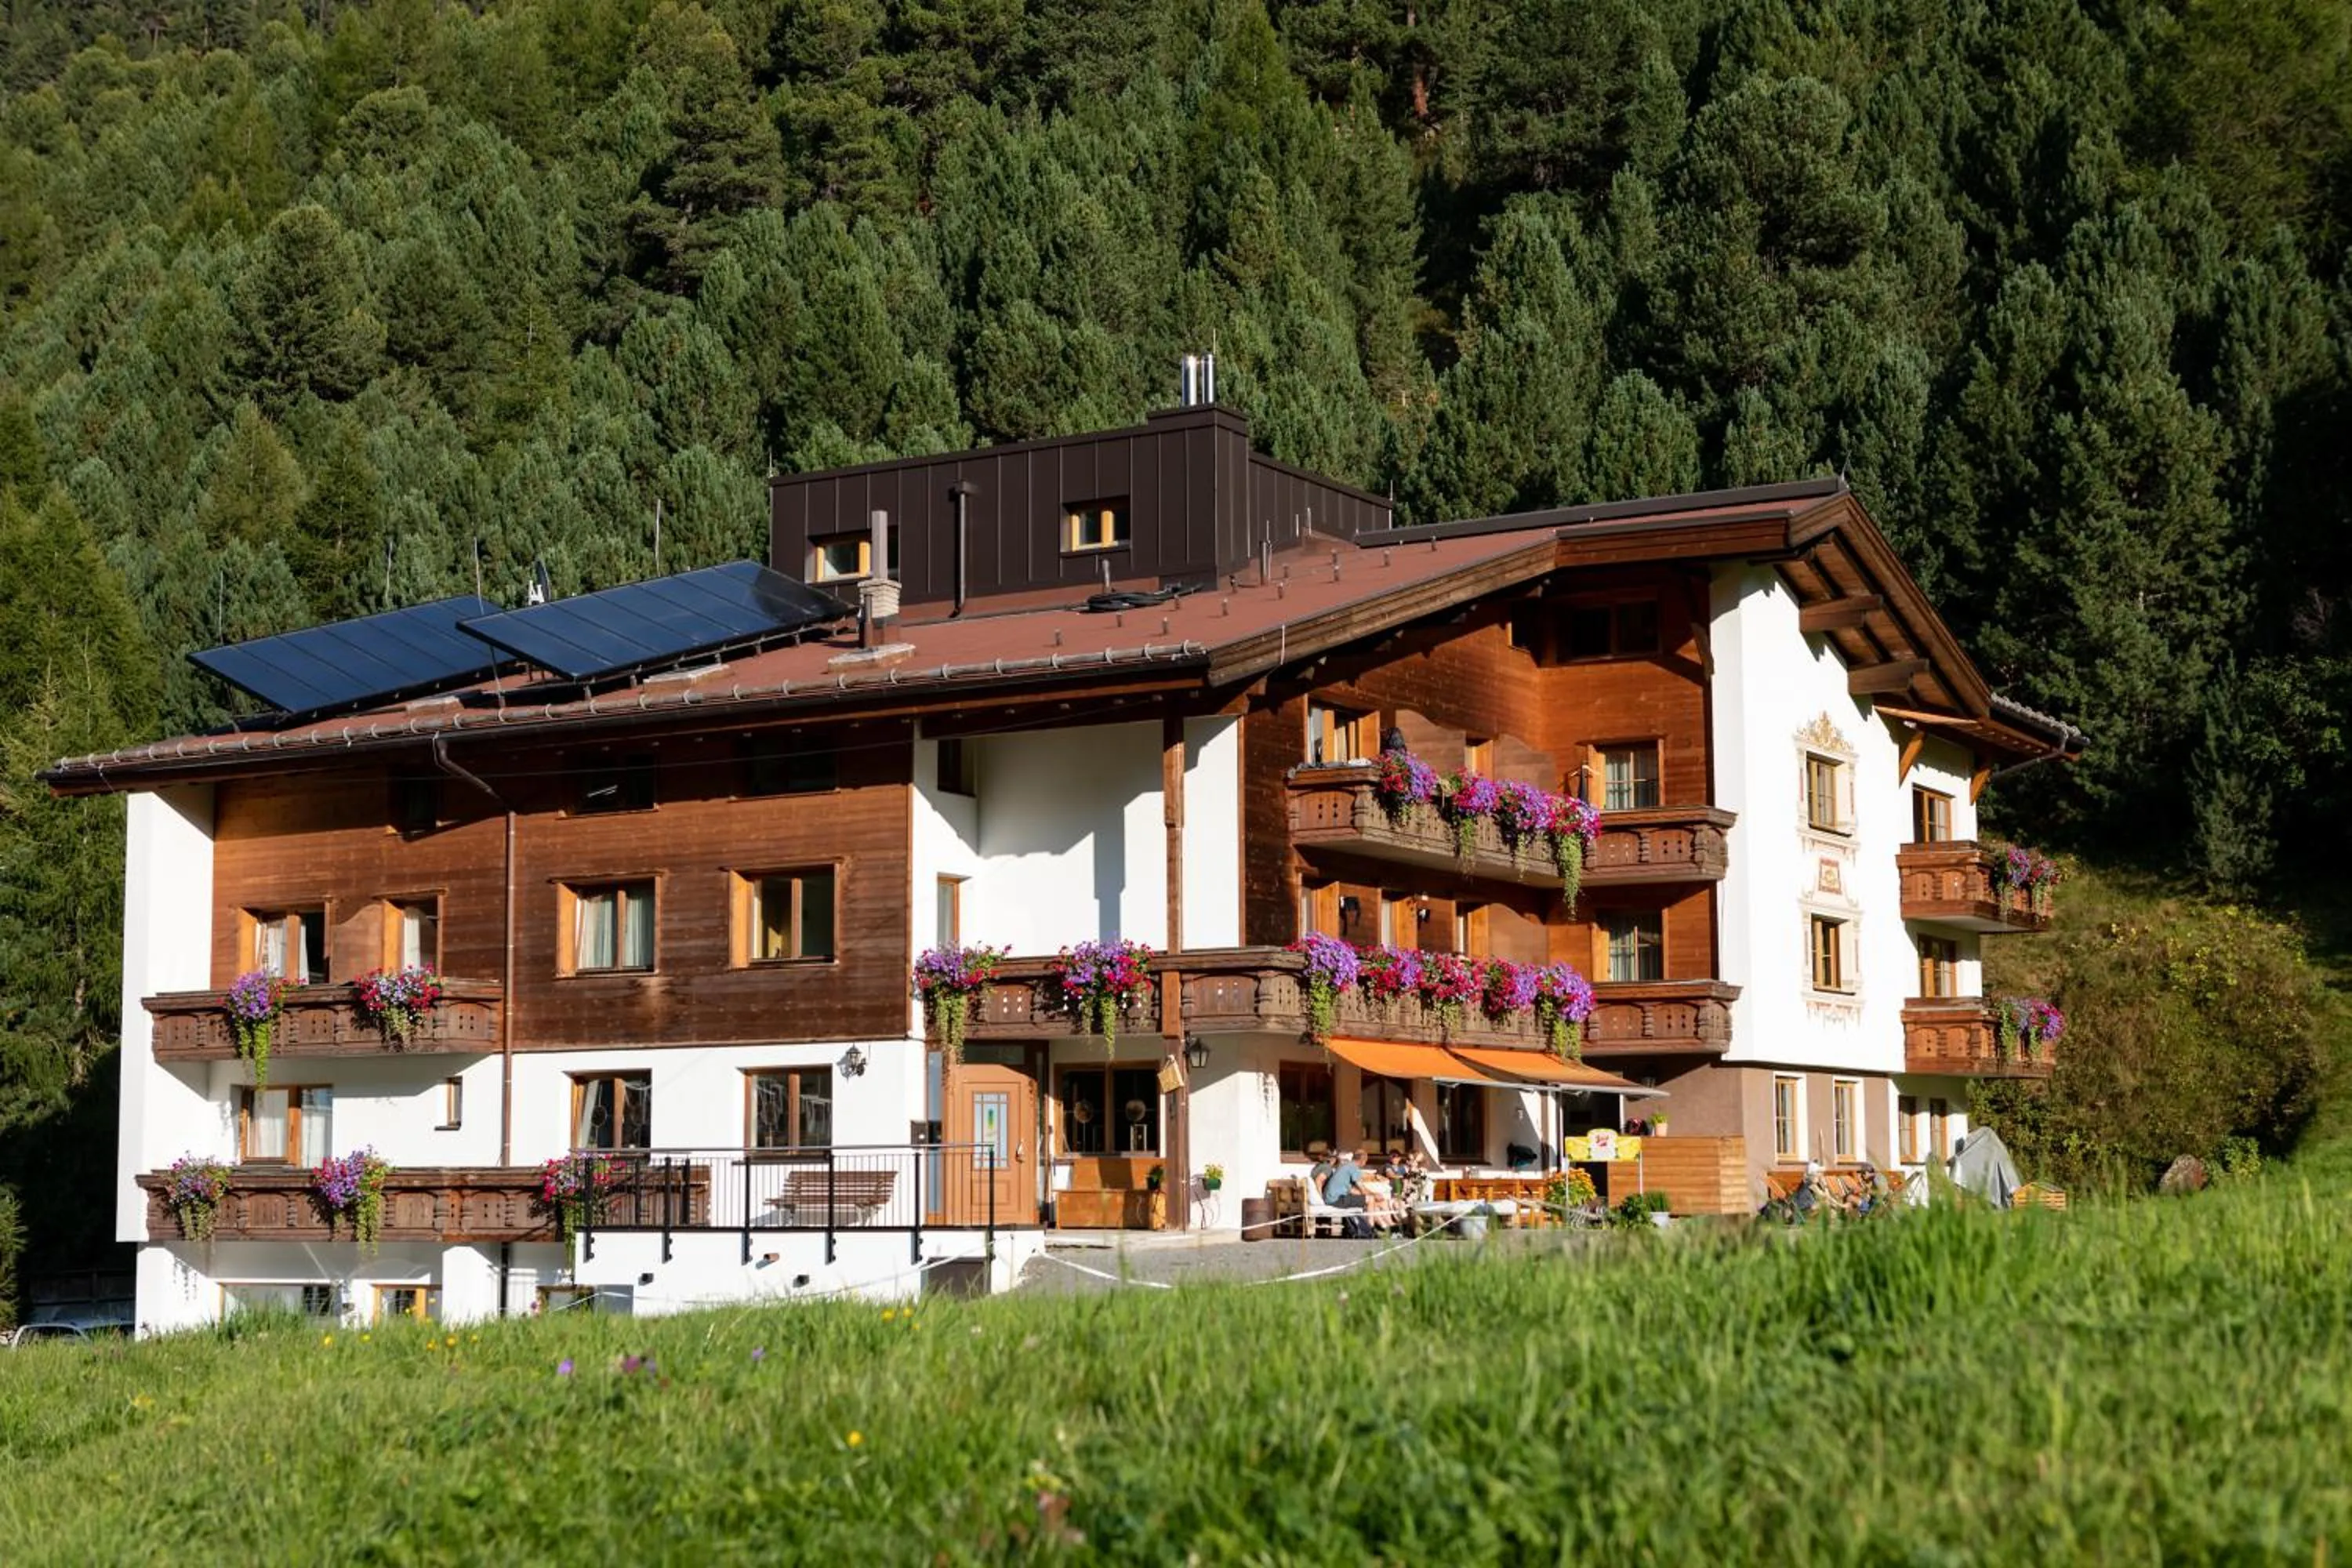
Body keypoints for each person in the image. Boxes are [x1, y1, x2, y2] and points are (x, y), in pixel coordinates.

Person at [1322, 1149, 1373, 1239]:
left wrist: (1367, 1194)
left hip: (1331, 1198)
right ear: (1362, 1160)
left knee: (1366, 1199)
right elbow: (1362, 1188)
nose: (1365, 1163)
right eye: (1366, 1161)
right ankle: (1370, 1229)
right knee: (1370, 1200)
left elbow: (1351, 1190)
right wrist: (1375, 1195)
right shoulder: (1353, 1168)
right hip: (1337, 1199)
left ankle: (1368, 1227)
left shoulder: (1345, 1167)